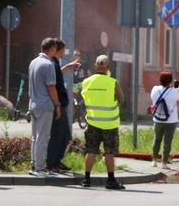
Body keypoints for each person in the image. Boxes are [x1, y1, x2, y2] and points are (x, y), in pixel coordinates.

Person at [80, 55, 126, 190]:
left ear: (95, 66)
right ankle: (111, 180)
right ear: (108, 67)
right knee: (109, 152)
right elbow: (122, 99)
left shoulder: (86, 82)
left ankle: (86, 179)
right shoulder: (112, 82)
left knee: (91, 151)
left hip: (93, 122)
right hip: (109, 125)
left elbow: (84, 97)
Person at [27, 38, 61, 177]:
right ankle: (40, 169)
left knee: (35, 137)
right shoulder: (48, 65)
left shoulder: (33, 62)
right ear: (52, 48)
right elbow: (51, 87)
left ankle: (34, 165)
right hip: (45, 105)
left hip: (33, 104)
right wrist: (57, 105)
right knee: (43, 137)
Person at [45, 39, 78, 174]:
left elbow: (57, 76)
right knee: (59, 135)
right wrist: (57, 105)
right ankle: (51, 163)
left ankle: (56, 161)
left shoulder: (55, 64)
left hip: (60, 105)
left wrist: (68, 67)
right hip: (57, 105)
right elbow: (52, 86)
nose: (65, 52)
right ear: (58, 49)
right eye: (63, 49)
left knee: (64, 135)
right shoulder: (52, 63)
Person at [149, 71, 179, 168]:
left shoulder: (154, 89)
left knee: (156, 139)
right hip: (171, 121)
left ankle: (154, 161)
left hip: (157, 119)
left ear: (160, 80)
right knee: (167, 141)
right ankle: (164, 163)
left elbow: (153, 101)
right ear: (170, 81)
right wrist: (178, 90)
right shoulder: (174, 91)